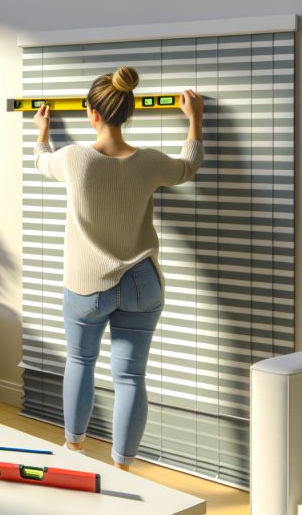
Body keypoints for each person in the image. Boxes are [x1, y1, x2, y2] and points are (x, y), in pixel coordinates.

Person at [33, 66, 204, 470]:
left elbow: (41, 161)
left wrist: (42, 130)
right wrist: (195, 119)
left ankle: (74, 452)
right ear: (129, 112)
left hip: (87, 286)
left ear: (92, 112)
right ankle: (123, 468)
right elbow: (188, 165)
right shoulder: (148, 163)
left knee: (80, 362)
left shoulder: (74, 159)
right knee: (130, 378)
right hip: (142, 283)